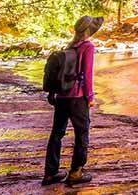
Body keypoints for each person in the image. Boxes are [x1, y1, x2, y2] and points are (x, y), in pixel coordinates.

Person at [43, 15, 103, 186]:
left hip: (62, 96)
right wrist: (90, 97)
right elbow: (87, 74)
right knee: (82, 134)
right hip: (77, 98)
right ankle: (75, 172)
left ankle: (50, 173)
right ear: (90, 31)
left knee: (57, 133)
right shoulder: (88, 47)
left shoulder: (70, 46)